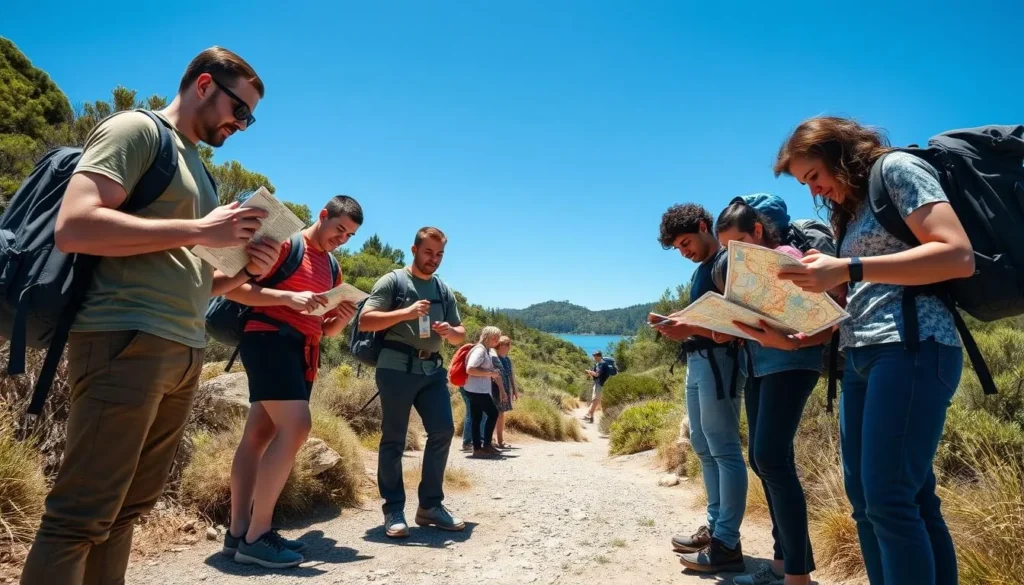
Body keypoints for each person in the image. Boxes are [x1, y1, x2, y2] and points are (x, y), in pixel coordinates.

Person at [20, 47, 270, 585]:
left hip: (181, 349)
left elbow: (195, 277)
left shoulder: (197, 166)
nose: (243, 126)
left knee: (125, 514)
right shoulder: (135, 130)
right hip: (125, 339)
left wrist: (249, 271)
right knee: (80, 518)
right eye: (241, 111)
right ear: (204, 85)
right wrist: (204, 230)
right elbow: (77, 225)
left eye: (250, 118)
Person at [766, 116, 975, 585]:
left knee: (889, 500)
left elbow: (957, 254)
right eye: (805, 184)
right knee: (871, 502)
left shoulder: (897, 169)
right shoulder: (851, 207)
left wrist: (848, 267)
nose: (815, 192)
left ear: (840, 154)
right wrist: (802, 329)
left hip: (913, 345)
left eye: (815, 176)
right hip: (860, 355)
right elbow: (859, 290)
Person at [221, 195, 363, 568]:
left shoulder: (333, 268)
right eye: (339, 229)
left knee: (257, 436)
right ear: (323, 216)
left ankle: (238, 533)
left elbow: (326, 328)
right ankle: (257, 535)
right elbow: (233, 289)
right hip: (268, 339)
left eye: (349, 235)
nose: (342, 239)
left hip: (302, 352)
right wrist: (289, 297)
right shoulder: (287, 244)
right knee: (298, 427)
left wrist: (343, 316)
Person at [714, 199, 825, 585]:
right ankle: (783, 563)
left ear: (758, 232)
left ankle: (797, 575)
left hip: (791, 364)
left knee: (772, 458)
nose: (735, 256)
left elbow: (813, 316)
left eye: (740, 244)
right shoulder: (742, 270)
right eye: (728, 250)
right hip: (760, 365)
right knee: (763, 461)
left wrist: (787, 335)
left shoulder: (785, 256)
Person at [651, 203, 748, 574]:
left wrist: (688, 328)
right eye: (677, 247)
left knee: (723, 449)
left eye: (686, 242)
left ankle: (728, 543)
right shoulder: (703, 269)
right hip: (698, 362)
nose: (683, 252)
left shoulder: (725, 263)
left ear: (705, 226)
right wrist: (680, 323)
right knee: (704, 447)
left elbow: (737, 324)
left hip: (719, 364)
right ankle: (715, 528)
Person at [357, 227, 467, 539]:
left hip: (432, 371)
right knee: (394, 438)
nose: (434, 259)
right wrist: (405, 312)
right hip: (395, 368)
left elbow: (461, 334)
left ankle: (430, 507)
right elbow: (366, 319)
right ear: (414, 250)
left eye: (440, 255)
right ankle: (393, 509)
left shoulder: (443, 290)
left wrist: (449, 332)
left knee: (443, 430)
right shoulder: (394, 281)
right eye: (429, 252)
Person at [464, 326, 506, 458]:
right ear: (493, 337)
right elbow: (470, 369)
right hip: (477, 391)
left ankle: (478, 448)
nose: (498, 341)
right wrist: (491, 373)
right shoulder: (480, 351)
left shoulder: (483, 349)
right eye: (497, 338)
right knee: (493, 414)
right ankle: (486, 445)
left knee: (476, 418)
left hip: (473, 389)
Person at [492, 335, 519, 449]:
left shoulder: (507, 359)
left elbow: (511, 375)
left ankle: (500, 440)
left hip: (506, 389)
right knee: (495, 414)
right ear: (500, 345)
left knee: (501, 414)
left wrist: (514, 390)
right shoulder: (494, 358)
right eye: (506, 345)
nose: (508, 347)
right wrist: (501, 390)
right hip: (496, 389)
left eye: (508, 345)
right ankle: (492, 439)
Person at [582, 351, 609, 423]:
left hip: (601, 384)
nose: (594, 357)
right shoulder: (596, 364)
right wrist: (589, 373)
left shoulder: (602, 364)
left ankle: (588, 414)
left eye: (596, 356)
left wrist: (590, 372)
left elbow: (597, 375)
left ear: (600, 356)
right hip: (596, 383)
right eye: (594, 356)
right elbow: (594, 375)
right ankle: (591, 417)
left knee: (596, 400)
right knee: (595, 400)